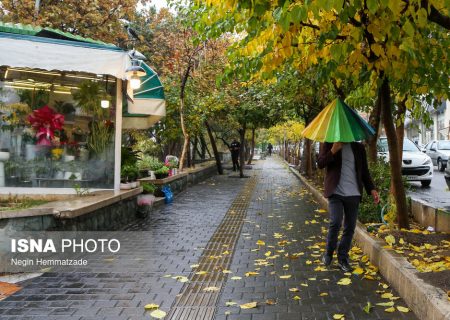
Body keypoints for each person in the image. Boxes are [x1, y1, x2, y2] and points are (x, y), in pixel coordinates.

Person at [318, 142, 379, 272]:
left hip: (354, 193)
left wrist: (372, 189)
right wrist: (333, 151)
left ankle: (342, 258)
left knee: (350, 227)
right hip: (336, 192)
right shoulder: (330, 143)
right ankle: (328, 253)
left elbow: (364, 171)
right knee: (335, 222)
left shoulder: (359, 147)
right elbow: (320, 163)